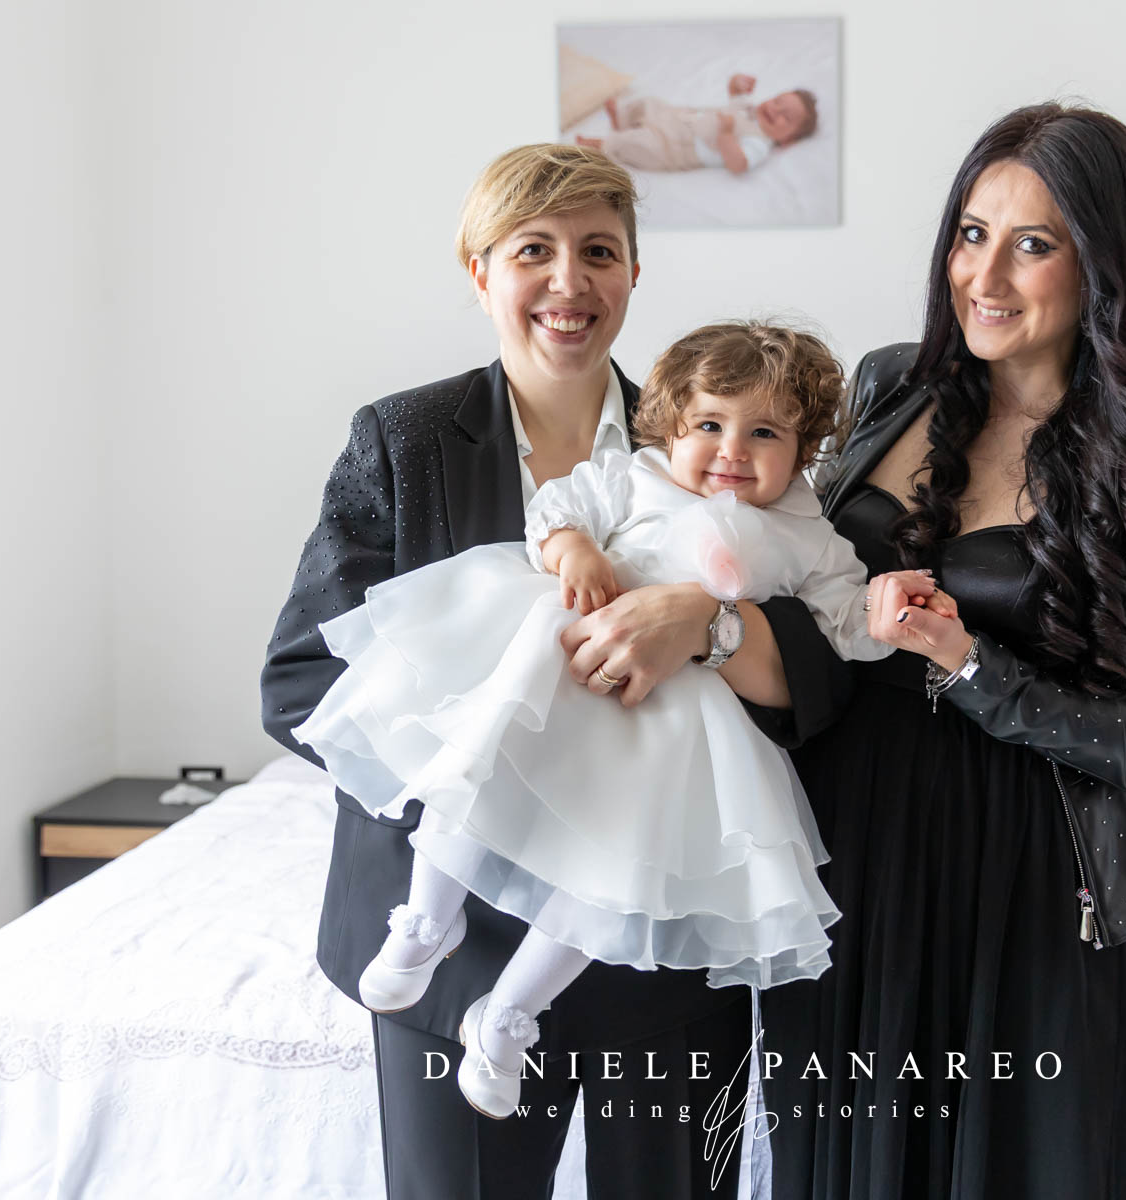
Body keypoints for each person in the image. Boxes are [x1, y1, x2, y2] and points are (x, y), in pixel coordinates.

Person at [260, 144, 852, 1199]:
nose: (568, 281)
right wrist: (497, 798)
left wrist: (710, 626)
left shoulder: (722, 436)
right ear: (479, 270)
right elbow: (303, 679)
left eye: (599, 252)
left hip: (660, 956)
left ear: (634, 273)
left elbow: (822, 681)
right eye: (533, 250)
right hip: (454, 963)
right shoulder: (404, 442)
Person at [760, 103, 1126, 1199]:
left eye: (1032, 244)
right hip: (846, 842)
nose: (986, 275)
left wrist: (969, 661)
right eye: (972, 234)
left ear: (1103, 264)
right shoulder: (889, 385)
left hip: (1023, 875)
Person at [288, 322, 900, 1119]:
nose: (732, 451)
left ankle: (508, 1016)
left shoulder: (809, 534)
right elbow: (558, 510)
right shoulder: (637, 476)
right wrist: (573, 550)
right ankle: (425, 919)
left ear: (804, 445)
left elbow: (842, 625)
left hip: (677, 719)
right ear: (672, 424)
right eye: (709, 424)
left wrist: (886, 611)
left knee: (621, 878)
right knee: (478, 757)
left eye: (765, 433)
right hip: (568, 665)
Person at [576, 74, 817, 175]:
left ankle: (603, 145)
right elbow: (735, 94)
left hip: (675, 150)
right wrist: (737, 82)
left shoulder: (760, 143)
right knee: (649, 103)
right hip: (676, 118)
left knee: (639, 144)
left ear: (787, 140)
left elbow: (739, 164)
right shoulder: (749, 108)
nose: (775, 110)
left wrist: (726, 135)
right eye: (777, 101)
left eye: (786, 117)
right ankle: (622, 118)